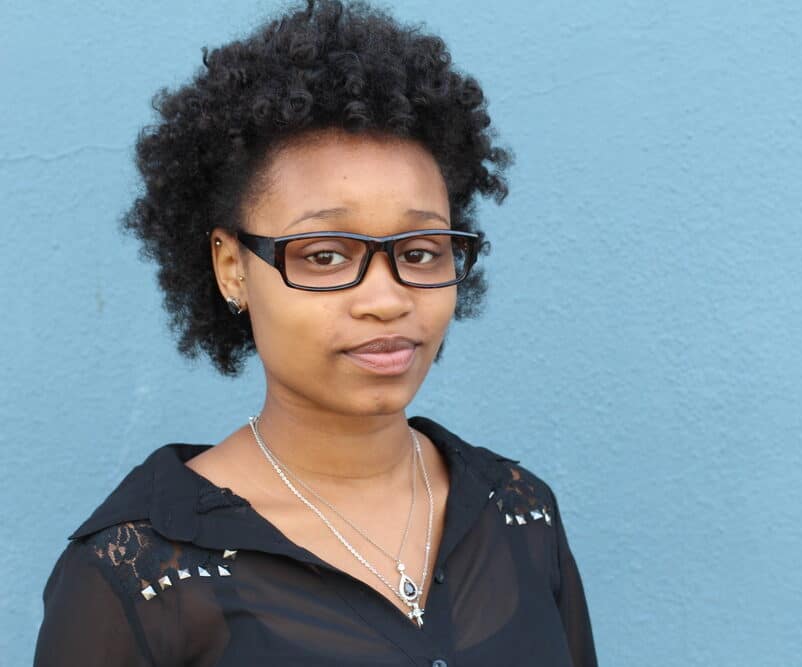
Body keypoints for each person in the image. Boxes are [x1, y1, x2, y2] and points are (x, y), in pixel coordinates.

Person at [33, 1, 597, 665]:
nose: (387, 299)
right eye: (326, 254)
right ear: (230, 267)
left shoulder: (519, 514)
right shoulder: (138, 576)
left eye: (419, 252)